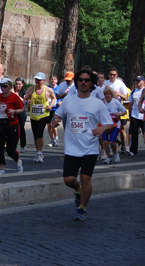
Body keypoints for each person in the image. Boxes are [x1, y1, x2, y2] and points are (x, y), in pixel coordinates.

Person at [52, 69, 114, 221]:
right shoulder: (68, 100)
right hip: (72, 148)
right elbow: (58, 114)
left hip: (90, 147)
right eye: (80, 80)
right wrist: (55, 120)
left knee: (86, 178)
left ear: (91, 83)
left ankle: (82, 208)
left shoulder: (97, 104)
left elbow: (110, 124)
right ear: (77, 82)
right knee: (69, 180)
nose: (83, 82)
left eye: (87, 80)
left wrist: (102, 128)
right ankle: (78, 190)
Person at [24, 72, 56, 163]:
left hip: (43, 115)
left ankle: (39, 152)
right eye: (36, 79)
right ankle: (37, 151)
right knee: (35, 135)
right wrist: (27, 103)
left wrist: (51, 105)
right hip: (33, 115)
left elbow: (54, 98)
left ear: (43, 80)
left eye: (39, 80)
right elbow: (25, 99)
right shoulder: (31, 89)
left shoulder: (48, 90)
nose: (37, 81)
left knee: (39, 133)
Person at [0, 78, 24, 173]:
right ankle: (2, 167)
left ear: (10, 87)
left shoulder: (15, 97)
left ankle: (17, 160)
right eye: (1, 86)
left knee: (10, 150)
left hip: (12, 125)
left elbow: (22, 109)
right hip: (0, 124)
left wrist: (14, 111)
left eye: (4, 86)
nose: (2, 88)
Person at [101, 86, 127, 164]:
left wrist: (119, 114)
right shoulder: (102, 103)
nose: (107, 96)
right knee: (105, 142)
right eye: (105, 94)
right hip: (105, 124)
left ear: (111, 95)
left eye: (109, 94)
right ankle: (108, 157)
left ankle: (115, 154)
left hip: (115, 124)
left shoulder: (115, 102)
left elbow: (124, 111)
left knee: (112, 142)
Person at [128, 75, 145, 156]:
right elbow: (130, 104)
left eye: (139, 81)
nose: (137, 82)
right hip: (135, 115)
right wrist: (130, 115)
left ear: (143, 82)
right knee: (134, 133)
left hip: (144, 115)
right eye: (136, 81)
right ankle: (133, 150)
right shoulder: (133, 92)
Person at [47, 75, 62, 147]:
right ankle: (52, 139)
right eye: (51, 79)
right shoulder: (47, 88)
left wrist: (60, 102)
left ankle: (56, 138)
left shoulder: (59, 88)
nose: (53, 80)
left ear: (57, 80)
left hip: (55, 108)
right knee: (49, 125)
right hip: (48, 108)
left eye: (54, 79)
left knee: (53, 124)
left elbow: (62, 97)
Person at [14, 77, 28, 152]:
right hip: (14, 111)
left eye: (19, 84)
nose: (17, 85)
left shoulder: (24, 92)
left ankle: (23, 145)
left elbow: (25, 101)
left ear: (22, 84)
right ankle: (13, 145)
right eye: (16, 84)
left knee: (21, 128)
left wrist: (17, 96)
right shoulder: (12, 90)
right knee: (13, 129)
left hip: (21, 112)